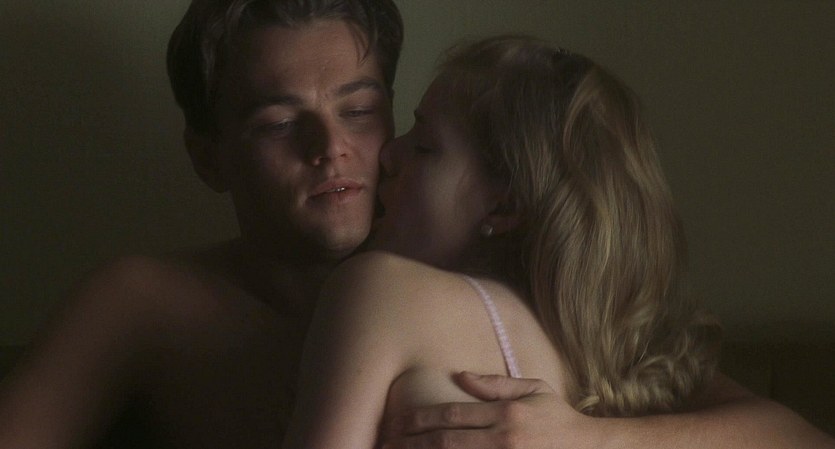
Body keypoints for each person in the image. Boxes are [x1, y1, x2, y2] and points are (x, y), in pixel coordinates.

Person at [0, 1, 830, 449]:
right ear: (208, 155)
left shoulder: (533, 287)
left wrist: (585, 441)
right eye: (278, 122)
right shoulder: (147, 304)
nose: (333, 148)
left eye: (361, 110)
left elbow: (790, 438)